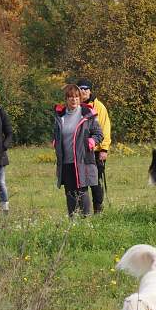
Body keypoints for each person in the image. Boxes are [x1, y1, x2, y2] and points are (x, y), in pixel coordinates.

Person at [53, 84, 103, 217]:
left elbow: (99, 134)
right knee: (70, 193)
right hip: (66, 161)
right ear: (66, 99)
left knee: (82, 191)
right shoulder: (60, 116)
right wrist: (55, 142)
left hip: (82, 160)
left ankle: (86, 220)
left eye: (76, 97)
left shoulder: (87, 114)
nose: (73, 100)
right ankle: (73, 222)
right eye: (70, 97)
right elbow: (56, 134)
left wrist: (92, 141)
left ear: (80, 98)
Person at [77, 78, 111, 213]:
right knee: (80, 181)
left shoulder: (99, 107)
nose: (83, 91)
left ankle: (98, 209)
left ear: (90, 91)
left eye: (86, 89)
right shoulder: (75, 105)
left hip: (96, 151)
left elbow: (105, 128)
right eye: (81, 89)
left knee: (95, 182)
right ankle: (83, 210)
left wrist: (104, 149)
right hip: (79, 151)